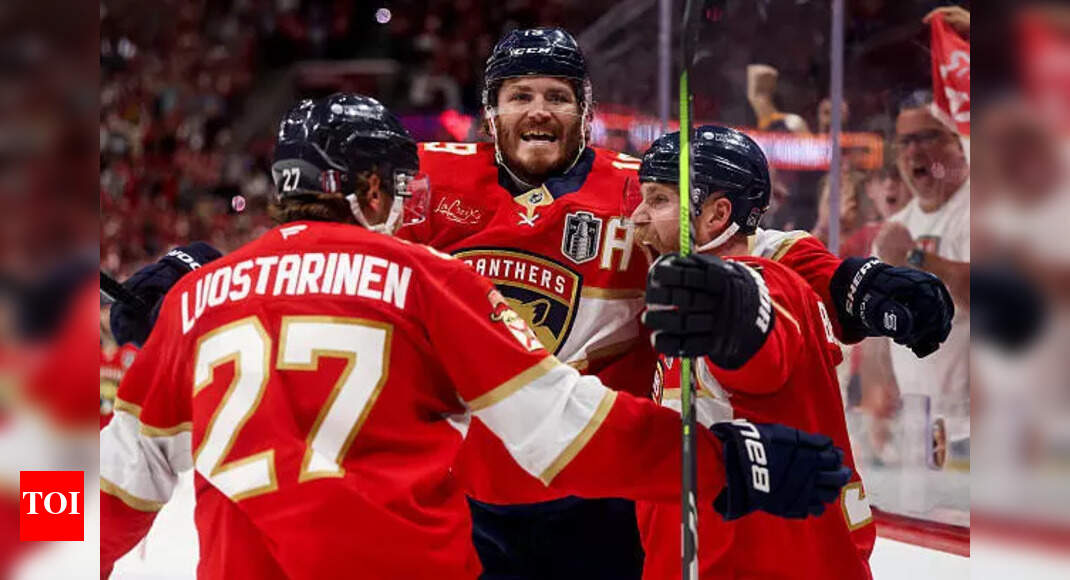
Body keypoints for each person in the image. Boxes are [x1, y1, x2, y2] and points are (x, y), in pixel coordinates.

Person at [109, 28, 954, 579]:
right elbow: (318, 241)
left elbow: (750, 248)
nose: (539, 109)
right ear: (491, 110)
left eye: (558, 95)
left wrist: (853, 283)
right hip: (474, 493)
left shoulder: (643, 190)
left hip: (607, 496)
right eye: (521, 94)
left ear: (585, 111)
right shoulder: (423, 184)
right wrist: (193, 265)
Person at [629, 125, 879, 579]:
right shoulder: (699, 292)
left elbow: (762, 351)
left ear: (717, 214)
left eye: (658, 200)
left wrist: (735, 310)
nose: (637, 217)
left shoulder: (762, 283)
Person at [872, 91, 970, 442]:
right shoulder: (895, 228)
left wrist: (917, 258)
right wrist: (876, 401)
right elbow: (878, 333)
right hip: (918, 430)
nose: (914, 151)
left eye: (928, 137)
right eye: (905, 142)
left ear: (960, 144)